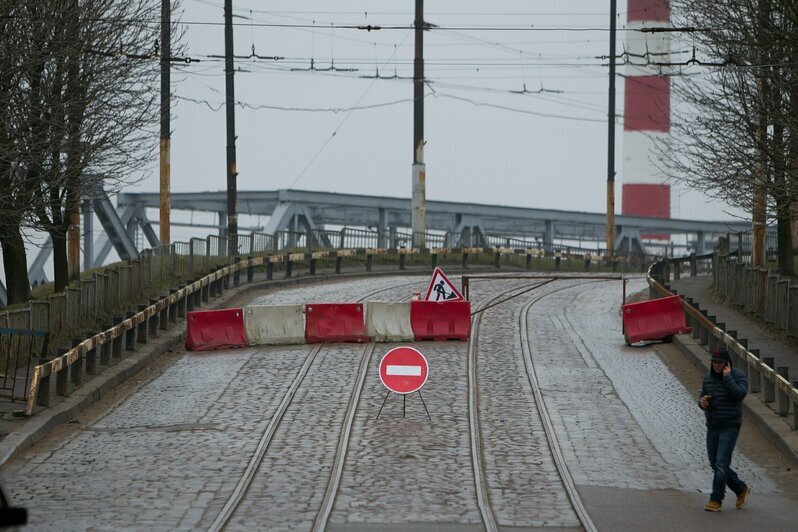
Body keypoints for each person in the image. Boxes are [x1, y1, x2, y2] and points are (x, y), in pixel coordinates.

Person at [698, 347, 751, 512]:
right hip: (713, 426)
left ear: (727, 364)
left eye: (720, 363)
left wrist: (727, 378)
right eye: (714, 362)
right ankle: (740, 488)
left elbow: (739, 395)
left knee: (721, 463)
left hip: (730, 425)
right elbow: (702, 398)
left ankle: (716, 500)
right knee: (715, 464)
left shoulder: (738, 376)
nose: (717, 366)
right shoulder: (708, 379)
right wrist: (702, 403)